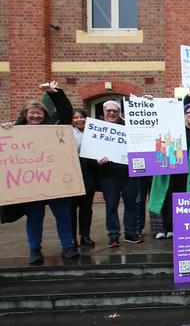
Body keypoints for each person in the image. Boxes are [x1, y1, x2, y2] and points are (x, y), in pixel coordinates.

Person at [1, 81, 79, 264]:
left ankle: (68, 246)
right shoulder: (14, 132)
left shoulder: (52, 127)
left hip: (55, 181)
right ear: (25, 115)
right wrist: (6, 130)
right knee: (35, 218)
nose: (36, 116)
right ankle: (34, 249)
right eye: (32, 113)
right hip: (32, 184)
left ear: (44, 114)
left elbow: (66, 112)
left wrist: (54, 93)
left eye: (39, 113)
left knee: (63, 215)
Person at [149, 103, 190, 239]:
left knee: (189, 201)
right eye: (189, 113)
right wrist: (151, 104)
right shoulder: (174, 129)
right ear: (184, 116)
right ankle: (169, 227)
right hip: (174, 171)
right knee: (171, 198)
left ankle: (185, 226)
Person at [96, 100, 141, 247]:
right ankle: (113, 235)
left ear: (119, 112)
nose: (111, 113)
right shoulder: (97, 129)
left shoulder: (130, 127)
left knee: (131, 205)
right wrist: (96, 161)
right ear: (103, 111)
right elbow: (89, 153)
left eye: (114, 111)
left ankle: (131, 233)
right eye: (108, 110)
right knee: (111, 205)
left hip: (129, 174)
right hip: (108, 175)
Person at [70, 108, 97, 247]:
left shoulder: (94, 132)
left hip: (88, 174)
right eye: (76, 118)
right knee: (71, 208)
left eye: (81, 117)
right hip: (72, 174)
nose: (79, 120)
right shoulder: (68, 132)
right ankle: (72, 237)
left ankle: (85, 235)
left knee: (86, 208)